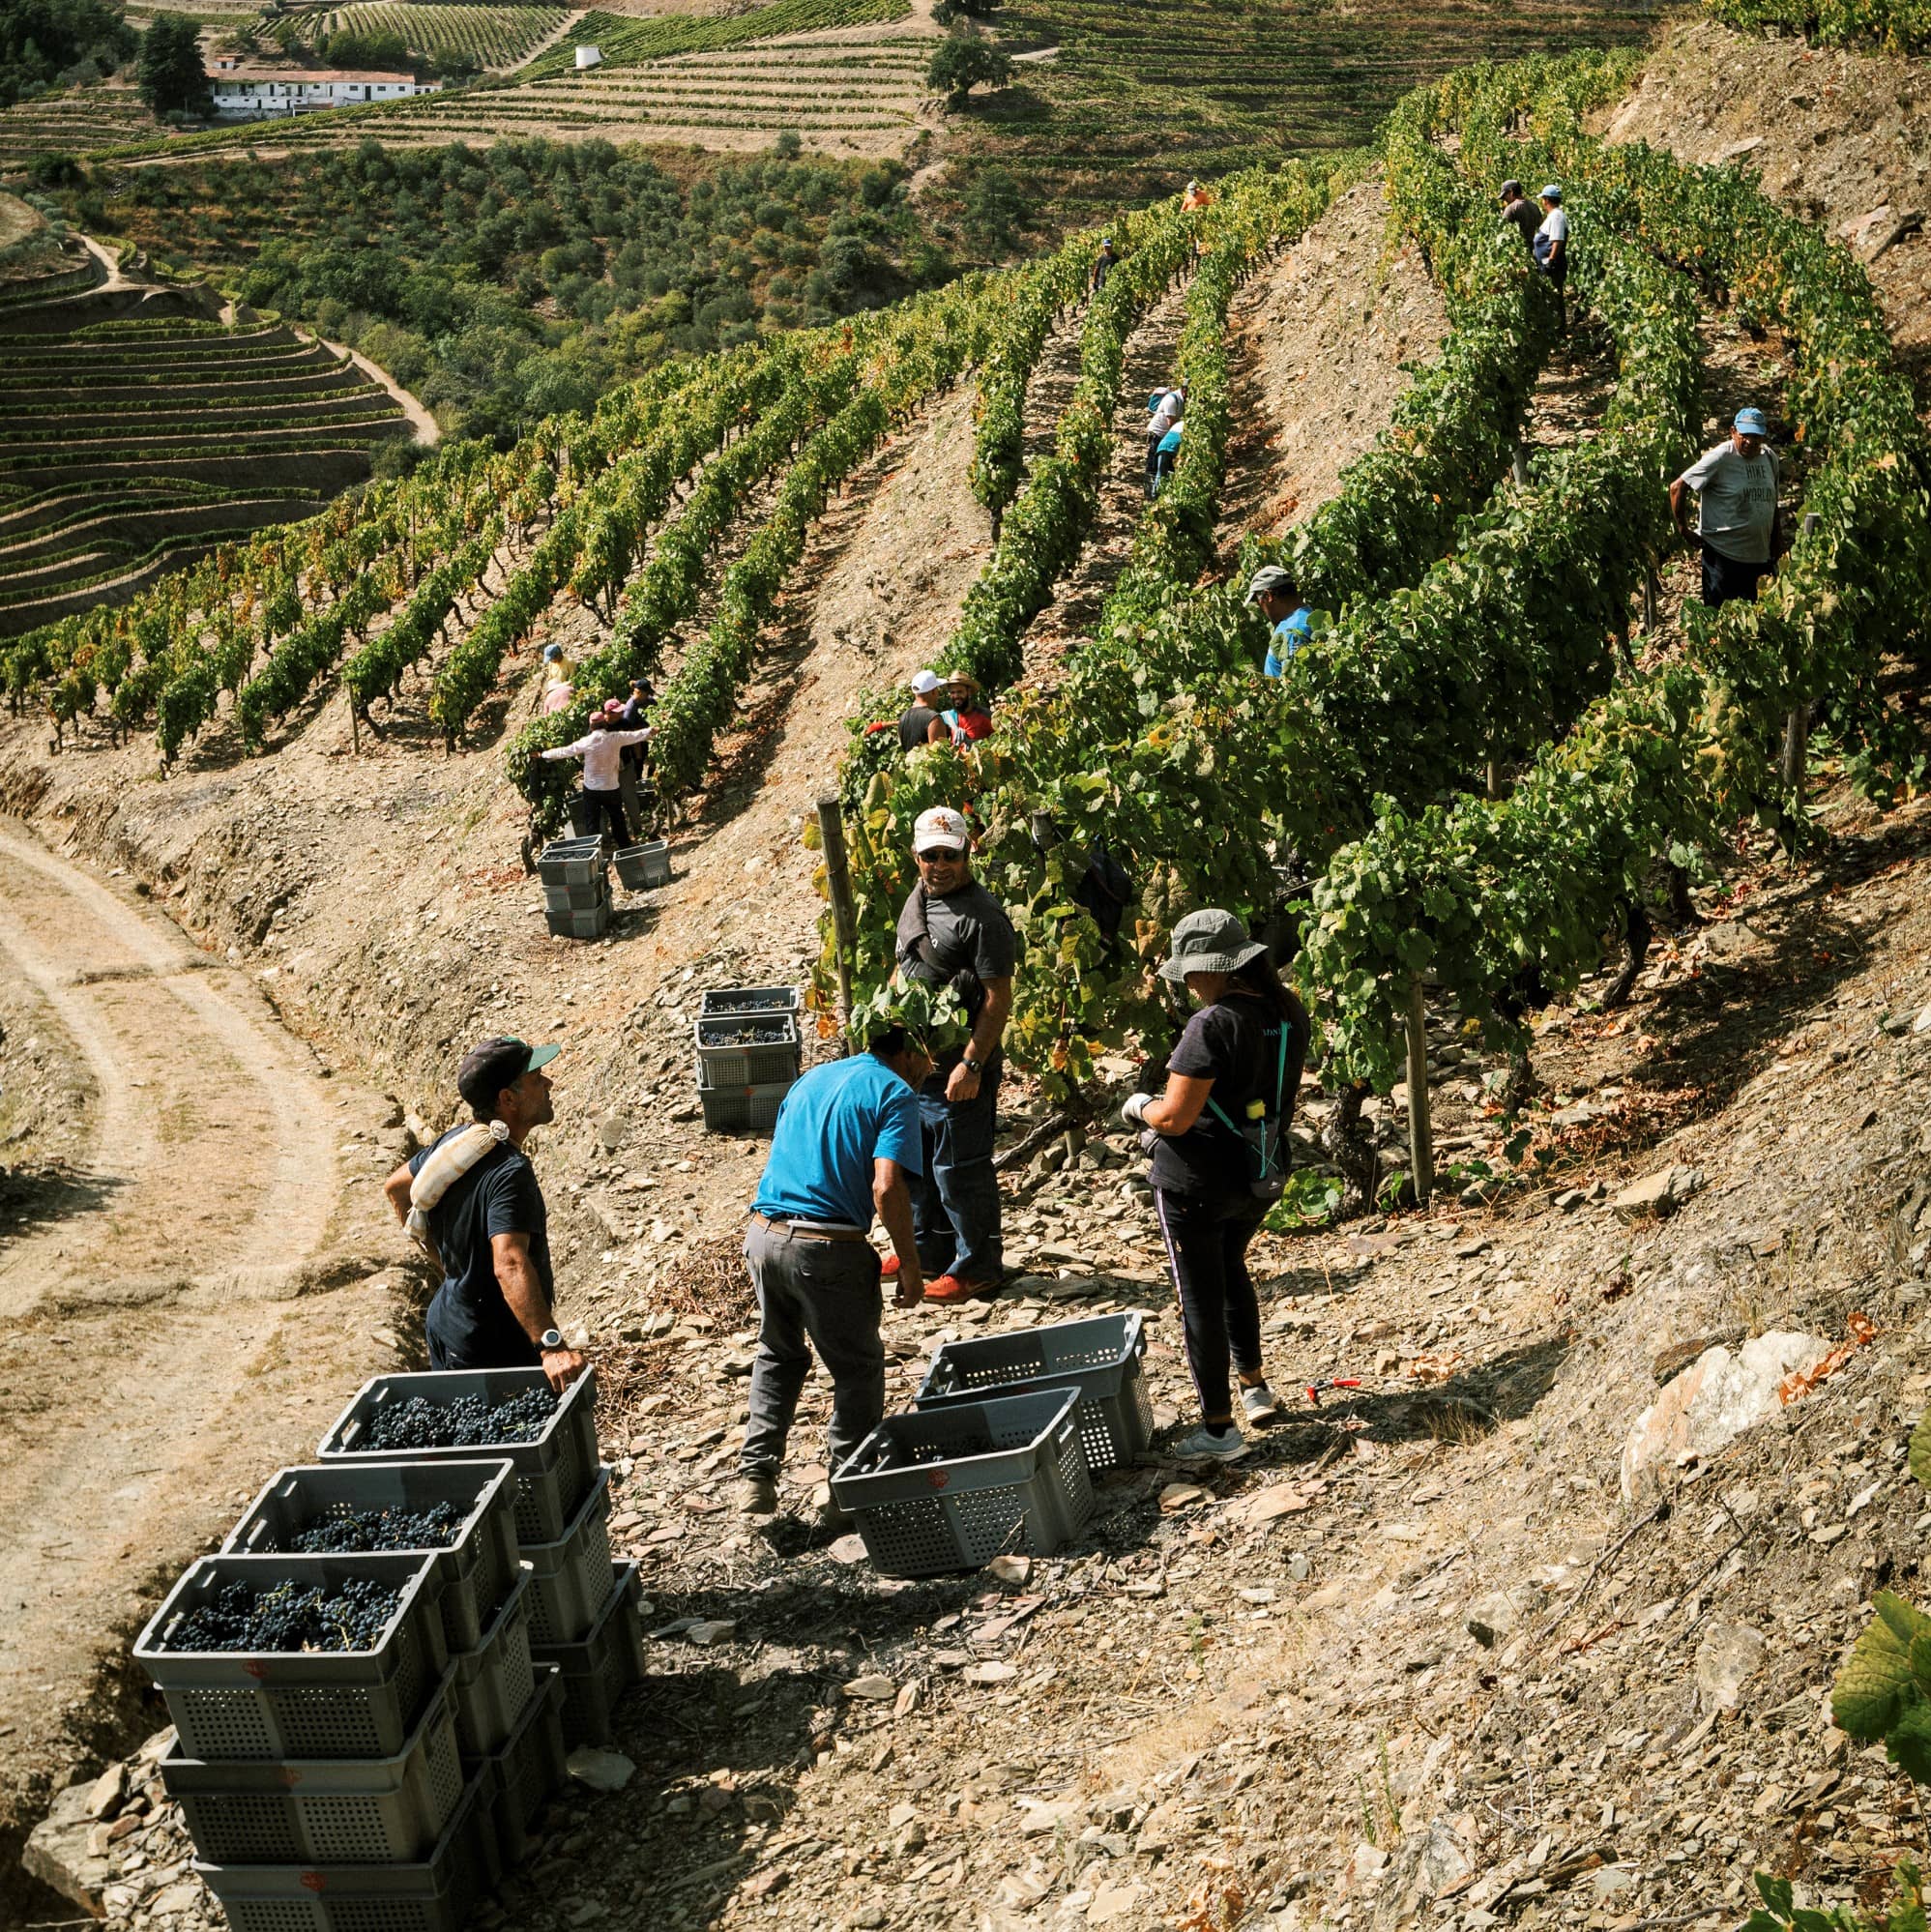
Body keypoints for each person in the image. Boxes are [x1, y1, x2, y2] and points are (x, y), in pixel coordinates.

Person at [1122, 911, 1310, 1460]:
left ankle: (1219, 1430)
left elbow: (1175, 1118)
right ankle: (1254, 1387)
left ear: (1218, 970)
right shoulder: (1287, 1011)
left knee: (1198, 1299)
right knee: (1232, 1270)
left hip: (1196, 1184)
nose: (1187, 983)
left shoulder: (1212, 1024)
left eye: (1191, 973)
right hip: (1260, 1174)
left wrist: (1139, 1107)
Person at [734, 1021, 934, 1526]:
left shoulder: (815, 1076)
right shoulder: (896, 1094)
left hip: (763, 1235)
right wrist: (910, 1264)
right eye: (931, 1057)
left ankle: (757, 1476)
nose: (933, 1069)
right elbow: (886, 1190)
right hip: (826, 1249)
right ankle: (847, 1490)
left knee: (778, 1354)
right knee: (858, 1368)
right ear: (911, 1052)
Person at [382, 1037, 587, 1390]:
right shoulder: (510, 1172)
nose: (549, 1084)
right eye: (537, 1079)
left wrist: (449, 1264)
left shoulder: (460, 1141)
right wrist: (551, 1346)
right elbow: (508, 1263)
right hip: (493, 1348)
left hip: (449, 1323)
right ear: (508, 1099)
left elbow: (396, 1188)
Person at [893, 805, 1017, 1304]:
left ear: (967, 852)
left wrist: (972, 1063)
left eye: (949, 854)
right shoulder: (919, 898)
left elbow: (997, 998)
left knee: (961, 1169)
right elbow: (902, 965)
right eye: (930, 855)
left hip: (959, 1069)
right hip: (919, 1065)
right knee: (919, 1165)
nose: (939, 864)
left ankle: (978, 1268)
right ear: (915, 856)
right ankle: (927, 1253)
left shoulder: (984, 918)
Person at [1671, 407, 1782, 608]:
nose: (1750, 441)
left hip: (1759, 560)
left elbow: (1773, 506)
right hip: (1724, 561)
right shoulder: (1721, 457)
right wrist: (1683, 529)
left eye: (1756, 436)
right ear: (1733, 432)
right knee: (1722, 626)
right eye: (1744, 435)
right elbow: (1677, 487)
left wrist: (1777, 546)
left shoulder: (1769, 458)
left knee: (1758, 626)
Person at [540, 713, 651, 846]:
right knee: (617, 819)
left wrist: (542, 755)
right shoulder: (615, 737)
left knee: (592, 822)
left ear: (591, 727)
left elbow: (565, 751)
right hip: (611, 787)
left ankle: (596, 851)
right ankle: (625, 847)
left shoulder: (586, 742)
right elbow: (636, 736)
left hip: (591, 789)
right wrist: (652, 731)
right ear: (605, 724)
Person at [1245, 565, 1313, 676]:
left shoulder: (1293, 630)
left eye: (1259, 602)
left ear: (1268, 596)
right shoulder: (1307, 615)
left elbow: (1295, 683)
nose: (1261, 609)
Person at [1534, 186, 1569, 331]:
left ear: (1547, 200)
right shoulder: (1555, 215)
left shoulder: (1556, 216)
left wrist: (1551, 261)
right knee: (1553, 297)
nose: (1542, 201)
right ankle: (1556, 328)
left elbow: (1557, 240)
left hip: (1553, 265)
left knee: (1554, 297)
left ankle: (1558, 329)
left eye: (1543, 198)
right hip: (1549, 263)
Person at [926, 672, 994, 747]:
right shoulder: (943, 718)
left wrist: (972, 743)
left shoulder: (985, 716)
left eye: (960, 692)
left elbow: (996, 744)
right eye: (952, 692)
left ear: (969, 692)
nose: (956, 696)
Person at [1146, 384, 1185, 499]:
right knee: (1154, 466)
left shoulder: (1182, 400)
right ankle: (1152, 495)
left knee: (1163, 468)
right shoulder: (1171, 400)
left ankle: (1159, 494)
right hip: (1159, 434)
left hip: (1168, 436)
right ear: (1184, 390)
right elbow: (1170, 422)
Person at [898, 668, 944, 752]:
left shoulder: (903, 717)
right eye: (937, 690)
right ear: (933, 691)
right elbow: (940, 757)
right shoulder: (934, 719)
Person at [1498, 179, 1538, 254]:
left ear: (1511, 192)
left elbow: (1503, 233)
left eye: (1505, 196)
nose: (1504, 200)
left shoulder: (1511, 208)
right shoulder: (1534, 206)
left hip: (1518, 253)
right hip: (1534, 251)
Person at [1151, 415, 1184, 496]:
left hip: (1162, 447)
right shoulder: (1188, 428)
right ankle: (1161, 495)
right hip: (1172, 449)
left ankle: (1155, 495)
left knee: (1161, 473)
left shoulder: (1179, 424)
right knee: (1173, 474)